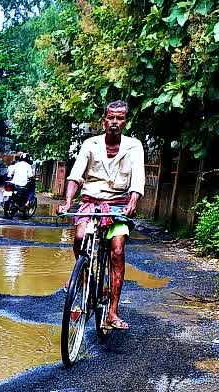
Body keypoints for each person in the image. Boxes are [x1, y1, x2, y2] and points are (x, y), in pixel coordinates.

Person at [61, 100, 146, 330]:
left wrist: (134, 200)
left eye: (120, 118)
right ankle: (87, 279)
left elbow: (138, 178)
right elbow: (75, 175)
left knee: (117, 251)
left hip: (119, 205)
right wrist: (68, 200)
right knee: (79, 239)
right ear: (104, 120)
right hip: (91, 202)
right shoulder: (91, 143)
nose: (115, 122)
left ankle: (112, 312)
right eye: (111, 118)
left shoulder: (134, 146)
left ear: (125, 121)